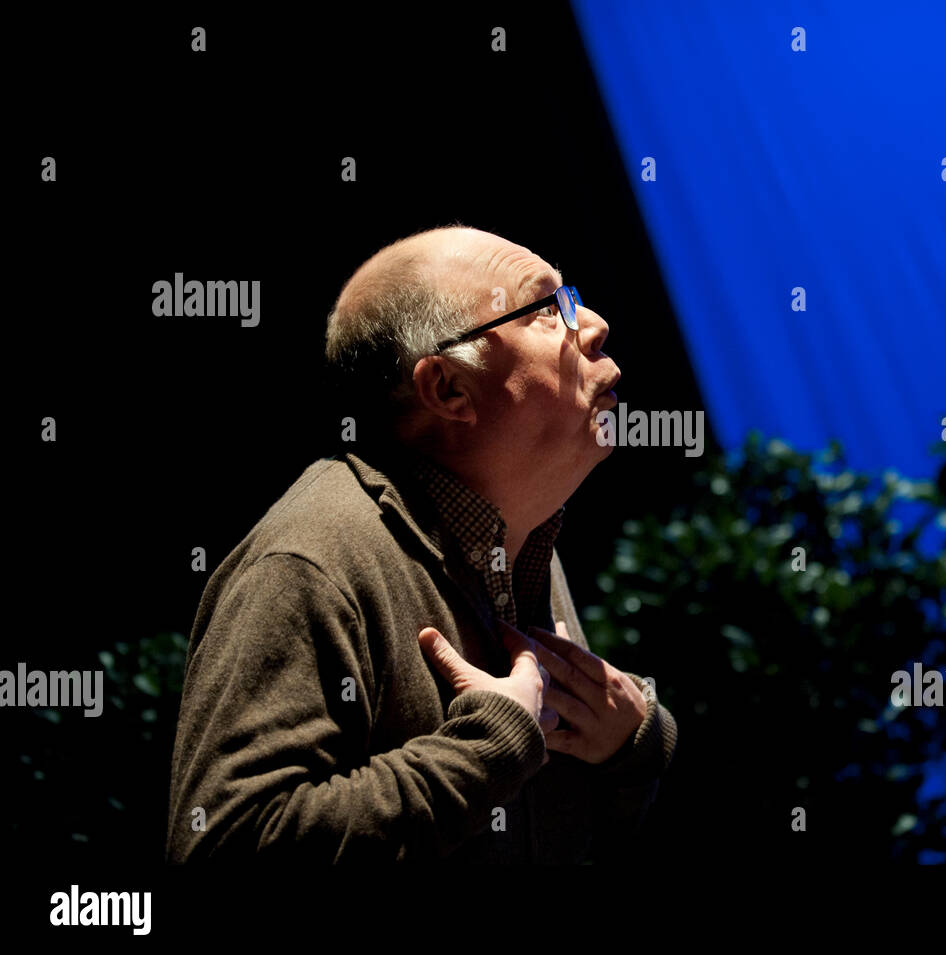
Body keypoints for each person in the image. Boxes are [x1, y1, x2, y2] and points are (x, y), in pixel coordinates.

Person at [166, 226, 677, 862]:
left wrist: (631, 751)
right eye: (547, 312)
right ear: (447, 390)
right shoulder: (306, 565)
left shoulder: (525, 540)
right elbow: (222, 845)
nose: (595, 325)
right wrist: (486, 748)